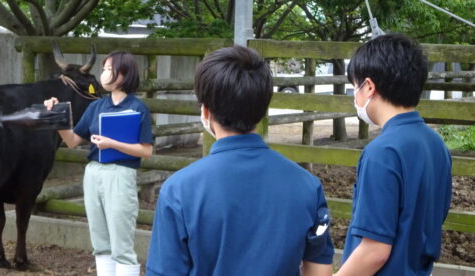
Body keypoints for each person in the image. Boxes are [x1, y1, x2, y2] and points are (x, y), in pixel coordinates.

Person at [146, 46, 334, 276]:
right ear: (263, 110)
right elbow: (319, 270)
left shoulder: (179, 189)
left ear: (205, 112)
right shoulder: (307, 185)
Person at [336, 34, 452, 276]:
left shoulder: (382, 152)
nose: (354, 96)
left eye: (354, 86)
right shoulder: (435, 143)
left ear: (368, 87)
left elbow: (375, 251)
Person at [44, 51, 153, 276]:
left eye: (109, 69)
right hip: (93, 173)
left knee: (121, 243)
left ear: (124, 73)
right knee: (100, 241)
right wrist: (57, 116)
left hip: (121, 174)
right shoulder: (96, 106)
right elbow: (73, 140)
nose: (103, 74)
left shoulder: (137, 108)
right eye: (104, 69)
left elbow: (146, 150)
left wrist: (113, 143)